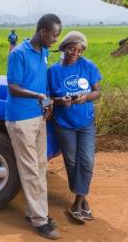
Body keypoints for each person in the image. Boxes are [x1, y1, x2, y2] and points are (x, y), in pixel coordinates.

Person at [5, 14, 62, 240]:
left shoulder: (44, 52)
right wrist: (37, 95)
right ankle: (40, 220)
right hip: (20, 119)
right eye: (54, 35)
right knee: (30, 170)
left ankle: (33, 211)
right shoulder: (18, 54)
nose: (56, 40)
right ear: (43, 32)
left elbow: (42, 81)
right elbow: (13, 87)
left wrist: (46, 102)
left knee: (40, 166)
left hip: (39, 116)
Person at [47, 31, 102, 224]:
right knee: (71, 162)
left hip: (86, 122)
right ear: (64, 47)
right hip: (64, 124)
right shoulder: (53, 71)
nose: (75, 53)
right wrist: (59, 101)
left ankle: (77, 202)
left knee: (86, 160)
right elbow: (48, 98)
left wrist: (85, 97)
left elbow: (97, 91)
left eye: (79, 50)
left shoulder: (88, 66)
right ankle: (82, 199)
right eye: (72, 48)